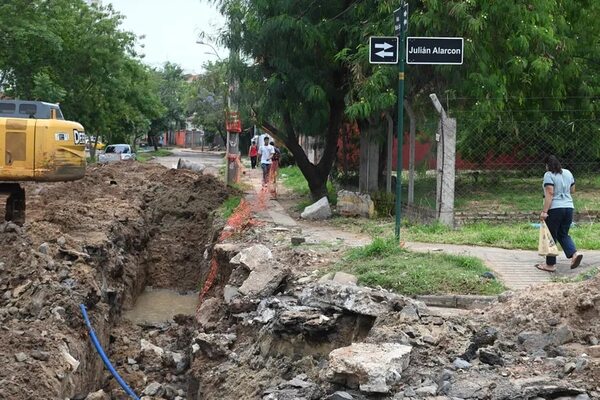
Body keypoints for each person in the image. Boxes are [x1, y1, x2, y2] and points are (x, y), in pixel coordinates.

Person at [536, 155, 583, 272]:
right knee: (563, 234)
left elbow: (550, 193)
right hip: (569, 207)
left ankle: (550, 265)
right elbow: (572, 190)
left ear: (547, 165)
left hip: (555, 209)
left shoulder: (548, 175)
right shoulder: (568, 173)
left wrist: (544, 211)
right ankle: (574, 254)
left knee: (551, 236)